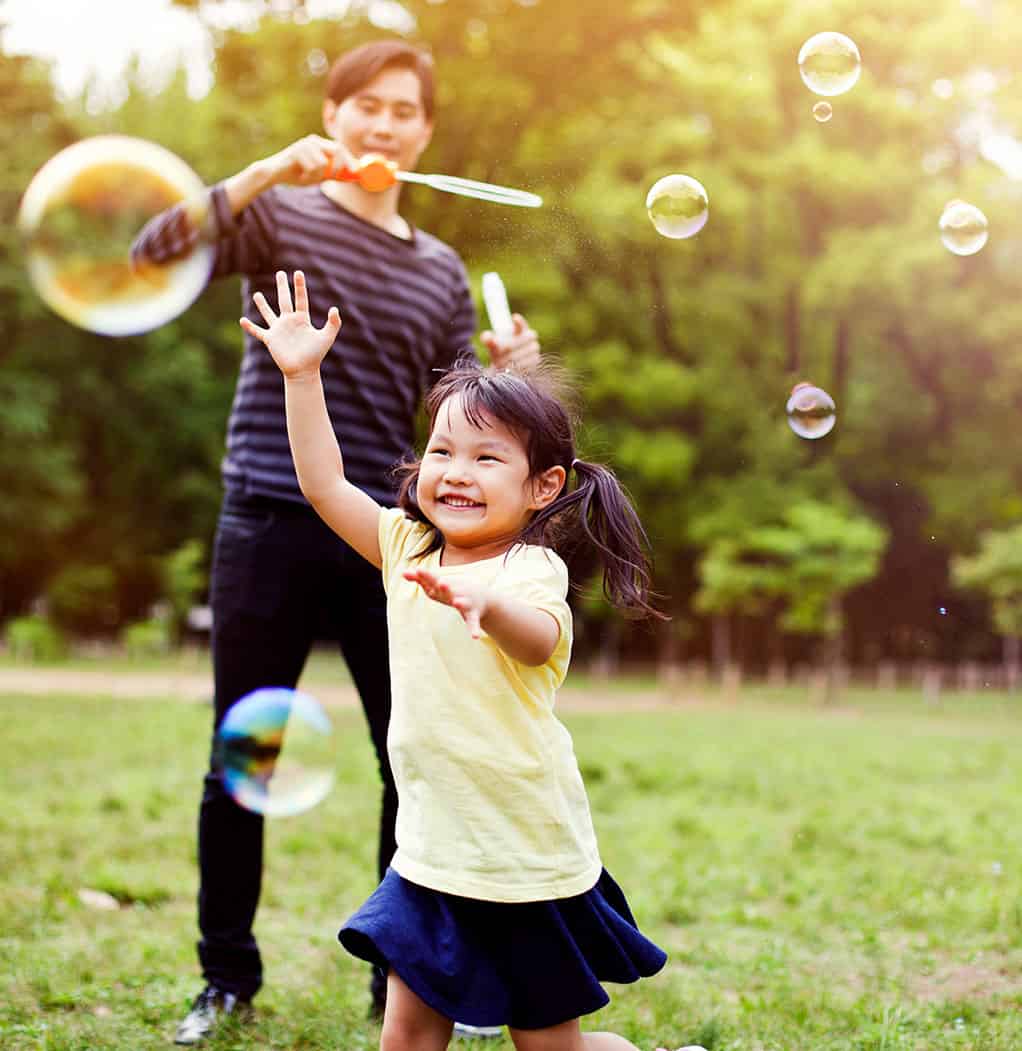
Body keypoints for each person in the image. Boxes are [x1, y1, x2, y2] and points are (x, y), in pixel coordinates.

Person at [131, 40, 540, 1045]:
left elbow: (455, 426)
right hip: (266, 514)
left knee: (414, 760)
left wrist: (509, 377)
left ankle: (402, 984)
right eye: (365, 105)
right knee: (243, 758)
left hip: (383, 539)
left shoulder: (440, 270)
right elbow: (152, 248)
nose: (383, 124)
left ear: (424, 131)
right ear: (334, 114)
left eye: (403, 110)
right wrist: (267, 168)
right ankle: (225, 978)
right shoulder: (278, 214)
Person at [241, 268, 674, 1051]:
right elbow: (322, 483)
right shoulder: (406, 544)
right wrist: (303, 376)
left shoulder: (529, 572)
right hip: (435, 848)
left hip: (522, 851)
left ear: (543, 486)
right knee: (406, 1032)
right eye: (443, 449)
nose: (455, 472)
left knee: (548, 1046)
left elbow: (538, 638)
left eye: (485, 458)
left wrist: (488, 606)